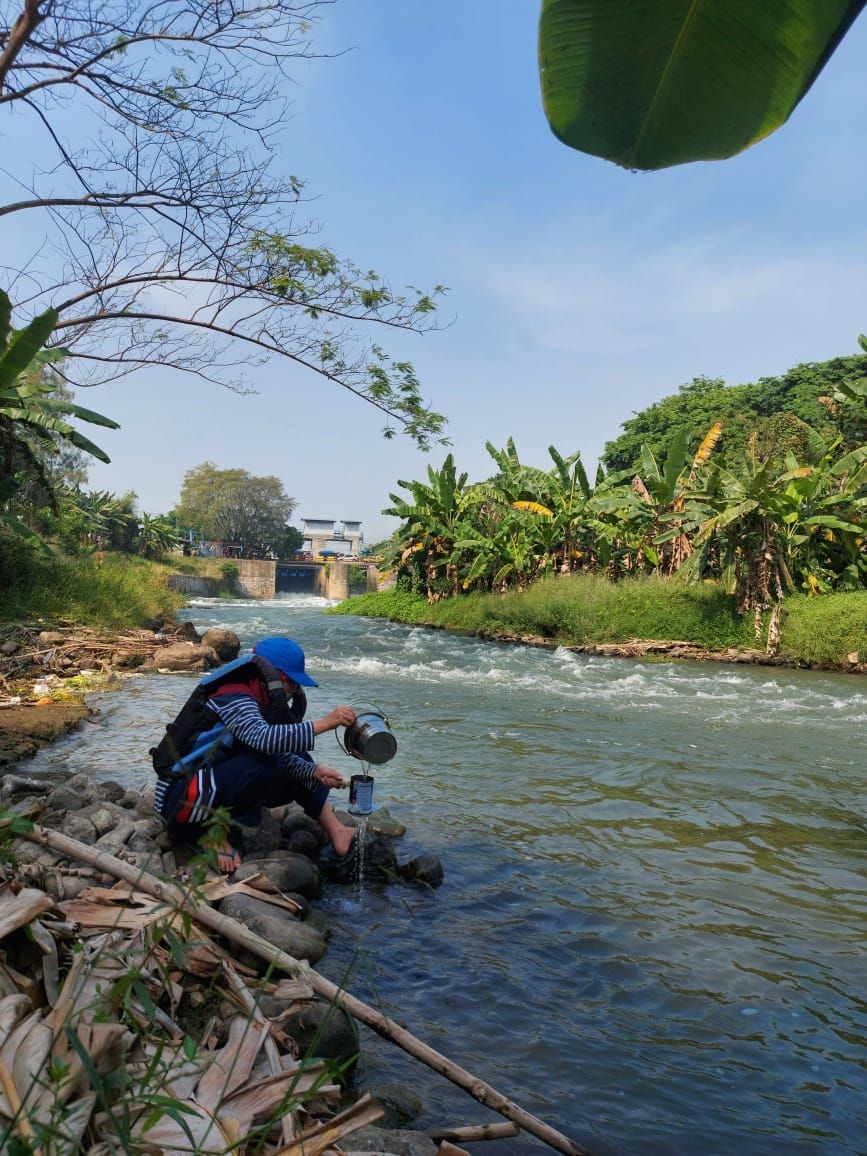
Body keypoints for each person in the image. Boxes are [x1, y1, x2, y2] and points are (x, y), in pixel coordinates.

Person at [154, 636, 357, 872]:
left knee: (295, 753)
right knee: (262, 763)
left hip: (206, 786)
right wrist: (325, 723)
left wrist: (313, 772)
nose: (294, 691)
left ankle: (338, 831)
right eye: (293, 683)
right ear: (280, 677)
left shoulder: (255, 695)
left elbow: (276, 750)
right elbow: (262, 740)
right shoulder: (233, 695)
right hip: (179, 800)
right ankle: (208, 832)